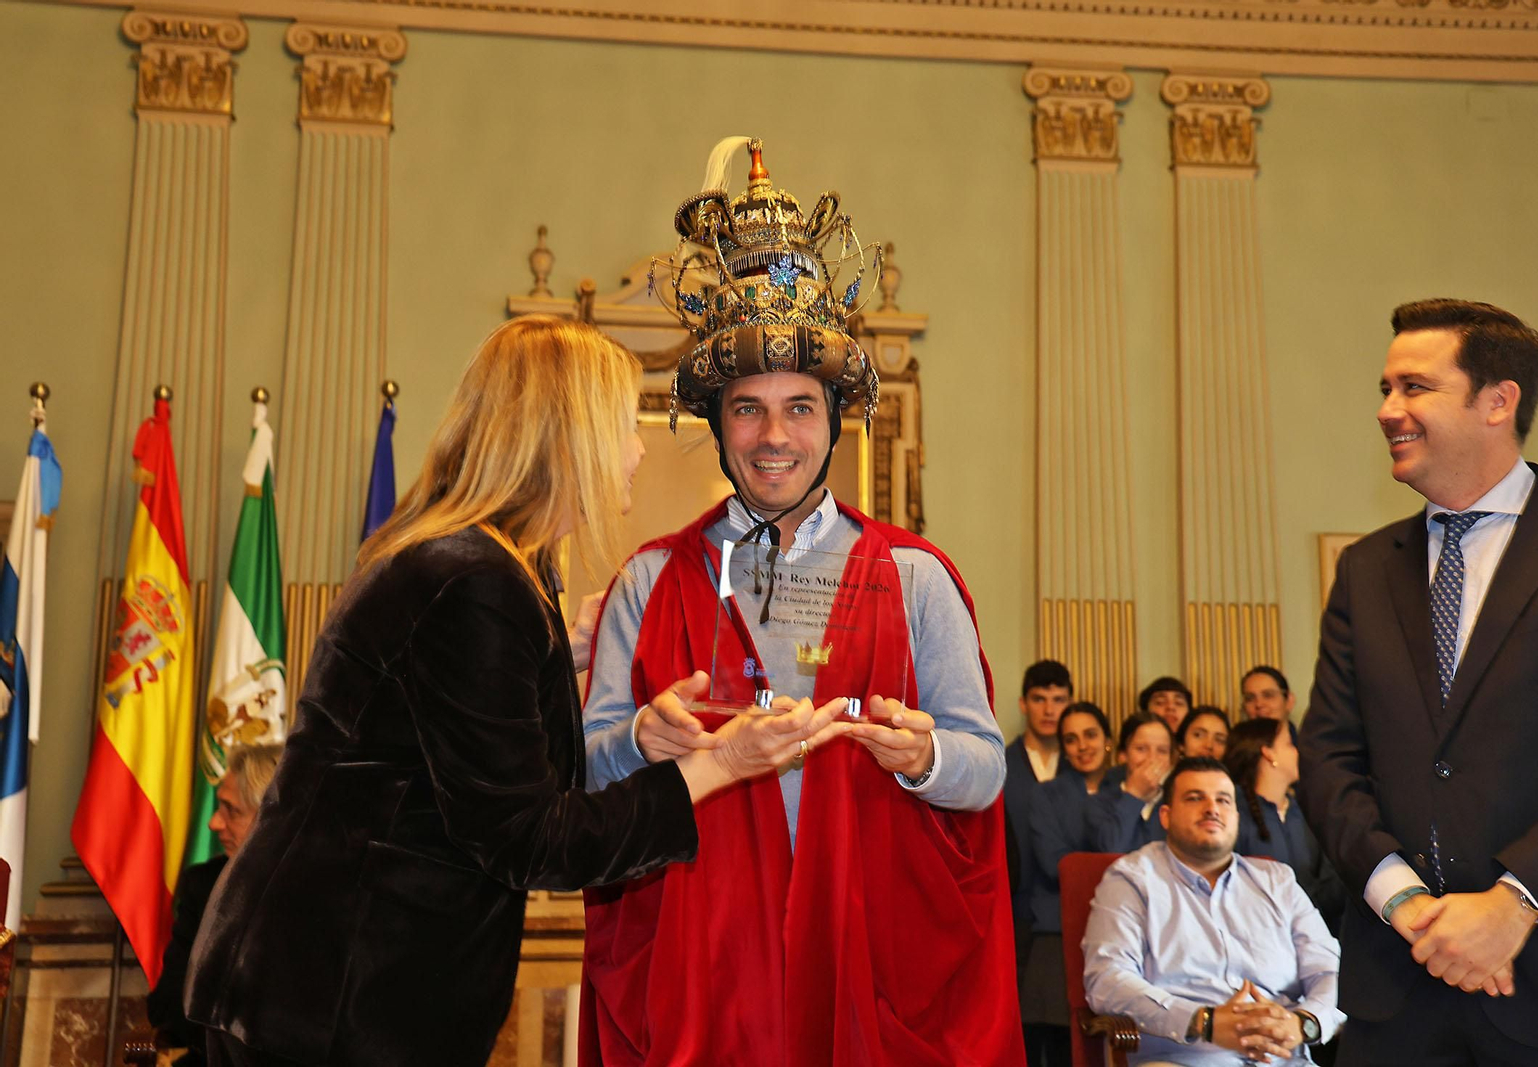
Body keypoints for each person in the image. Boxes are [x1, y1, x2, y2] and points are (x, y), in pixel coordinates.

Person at [183, 318, 847, 1067]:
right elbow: (528, 838)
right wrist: (722, 763)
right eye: (622, 425)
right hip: (335, 997)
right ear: (570, 439)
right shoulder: (476, 582)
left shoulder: (479, 563)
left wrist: (559, 656)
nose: (635, 450)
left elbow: (439, 750)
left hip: (321, 982)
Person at [579, 139, 1020, 1065]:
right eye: (747, 408)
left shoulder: (916, 577)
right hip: (699, 982)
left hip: (871, 971)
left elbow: (986, 765)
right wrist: (637, 743)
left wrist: (926, 754)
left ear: (833, 420)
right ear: (716, 420)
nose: (773, 436)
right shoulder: (649, 581)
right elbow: (584, 772)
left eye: (799, 408)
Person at [1300, 298, 1538, 1062]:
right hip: (1394, 994)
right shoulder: (1365, 570)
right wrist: (1402, 900)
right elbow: (1330, 761)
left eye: (1414, 387)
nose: (1386, 410)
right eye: (1385, 387)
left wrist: (1515, 902)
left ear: (1498, 401)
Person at [1083, 757, 1343, 1066]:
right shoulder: (1133, 879)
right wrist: (1202, 1021)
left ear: (1235, 814)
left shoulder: (1277, 881)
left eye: (1223, 799)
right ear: (1165, 816)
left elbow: (1329, 971)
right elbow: (1108, 980)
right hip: (1184, 1058)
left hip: (1283, 1058)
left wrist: (1304, 1022)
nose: (1212, 808)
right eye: (1195, 798)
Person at [146, 743, 283, 1063]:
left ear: (273, 819)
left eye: (231, 811)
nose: (214, 824)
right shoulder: (203, 887)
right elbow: (166, 1003)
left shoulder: (324, 896)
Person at [1018, 700, 1114, 1065]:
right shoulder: (1046, 794)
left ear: (1108, 739)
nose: (1083, 746)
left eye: (1091, 735)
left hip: (1125, 930)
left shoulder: (1128, 789)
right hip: (1057, 929)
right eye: (1071, 739)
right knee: (1057, 1045)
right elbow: (1055, 863)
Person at [1223, 718, 1343, 932]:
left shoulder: (1309, 811)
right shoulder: (1232, 813)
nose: (1298, 752)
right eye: (1289, 744)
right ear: (1269, 754)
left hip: (1313, 936)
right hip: (1252, 939)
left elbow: (1330, 885)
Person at [1004, 661, 1074, 985]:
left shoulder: (1084, 769)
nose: (1049, 710)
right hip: (1010, 911)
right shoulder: (999, 764)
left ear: (1070, 704)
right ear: (1023, 704)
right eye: (1039, 699)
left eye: (1058, 699)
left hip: (1069, 913)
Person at [1088, 711, 1173, 852]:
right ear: (1123, 755)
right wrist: (1134, 794)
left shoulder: (1176, 805)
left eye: (1162, 751)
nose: (1152, 759)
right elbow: (1112, 851)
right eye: (1141, 749)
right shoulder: (1098, 804)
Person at [1240, 666, 1298, 741]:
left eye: (1268, 695)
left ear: (1289, 701)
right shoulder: (1236, 750)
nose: (1259, 704)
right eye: (1250, 698)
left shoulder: (1310, 748)